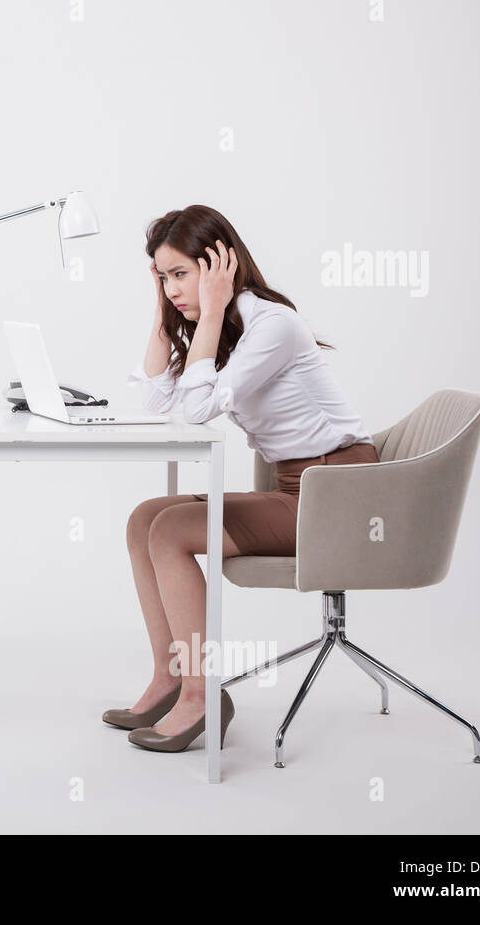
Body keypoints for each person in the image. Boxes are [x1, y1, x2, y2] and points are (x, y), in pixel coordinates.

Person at [105, 205, 380, 753]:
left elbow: (199, 407)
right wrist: (167, 311)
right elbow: (162, 402)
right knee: (145, 519)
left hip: (339, 491)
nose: (172, 288)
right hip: (297, 488)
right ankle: (171, 678)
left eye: (180, 274)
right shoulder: (224, 328)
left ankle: (201, 695)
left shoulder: (270, 325)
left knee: (171, 530)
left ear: (219, 267)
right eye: (162, 277)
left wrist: (206, 315)